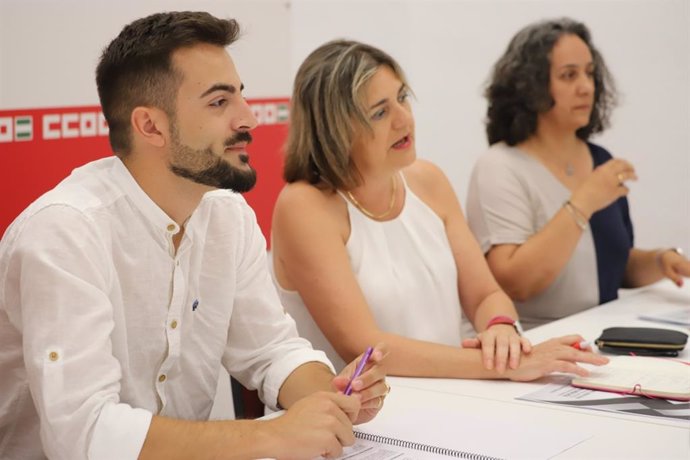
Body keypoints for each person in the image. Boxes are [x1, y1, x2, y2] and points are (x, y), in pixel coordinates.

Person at [0, 12, 390, 460]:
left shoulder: (226, 214)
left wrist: (330, 396)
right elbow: (86, 434)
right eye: (219, 103)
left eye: (240, 97)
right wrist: (274, 435)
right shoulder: (64, 233)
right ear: (151, 126)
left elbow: (271, 350)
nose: (249, 119)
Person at [270, 39, 607, 380]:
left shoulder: (427, 180)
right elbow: (368, 351)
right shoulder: (304, 206)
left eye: (402, 98)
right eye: (380, 112)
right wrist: (507, 365)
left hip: (449, 397)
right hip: (358, 421)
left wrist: (501, 328)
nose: (404, 120)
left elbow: (486, 295)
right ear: (335, 130)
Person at [465, 17, 690, 330]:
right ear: (531, 86)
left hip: (600, 337)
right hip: (535, 344)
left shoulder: (600, 160)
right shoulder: (500, 166)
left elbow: (610, 264)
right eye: (569, 75)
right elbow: (516, 283)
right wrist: (584, 200)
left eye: (589, 73)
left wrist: (659, 261)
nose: (586, 87)